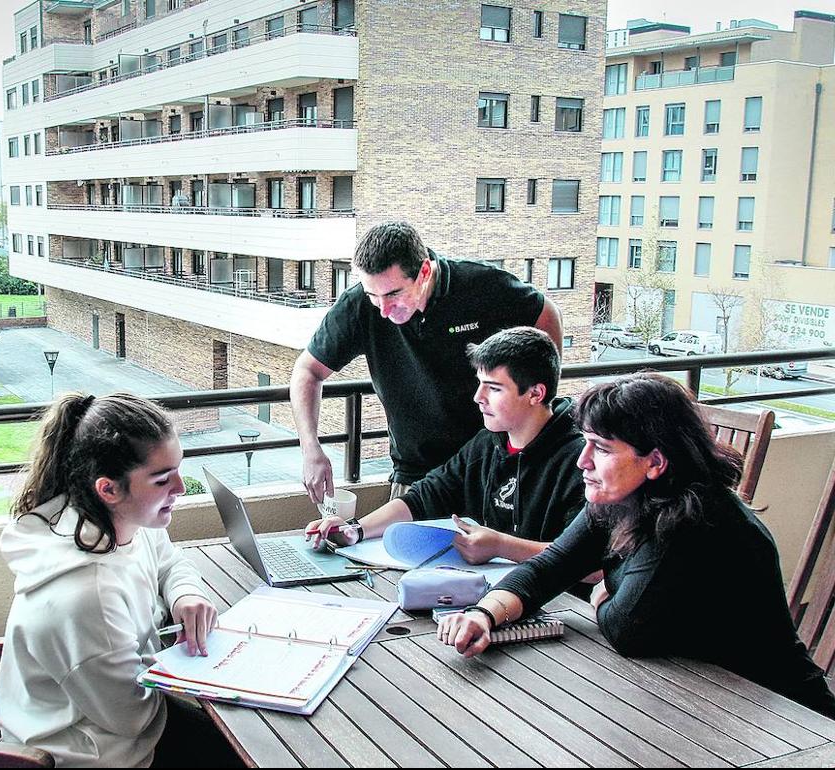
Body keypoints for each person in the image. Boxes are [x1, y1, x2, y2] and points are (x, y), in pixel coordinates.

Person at [437, 373, 835, 719]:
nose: (583, 462)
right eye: (586, 443)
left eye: (602, 448)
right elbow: (550, 566)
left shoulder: (693, 522)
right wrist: (484, 614)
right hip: (700, 694)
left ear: (655, 462)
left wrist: (603, 595)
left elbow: (625, 629)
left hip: (784, 713)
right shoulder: (621, 497)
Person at [0, 392, 241, 767]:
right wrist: (191, 671)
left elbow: (169, 562)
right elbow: (132, 717)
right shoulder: (86, 595)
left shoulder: (123, 521)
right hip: (92, 751)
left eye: (178, 469)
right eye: (162, 479)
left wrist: (184, 594)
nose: (180, 487)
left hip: (127, 716)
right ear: (108, 488)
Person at [291, 221, 563, 504]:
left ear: (424, 272)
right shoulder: (358, 305)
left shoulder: (481, 285)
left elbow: (546, 314)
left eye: (393, 294)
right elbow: (307, 370)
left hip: (490, 465)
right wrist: (310, 449)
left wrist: (540, 405)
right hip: (415, 473)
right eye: (373, 295)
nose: (383, 310)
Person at [306, 327, 586, 567]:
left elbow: (591, 562)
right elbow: (423, 498)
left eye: (494, 388)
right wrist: (355, 530)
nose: (478, 397)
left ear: (535, 393)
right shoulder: (487, 444)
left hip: (562, 602)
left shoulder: (582, 459)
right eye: (480, 384)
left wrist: (502, 547)